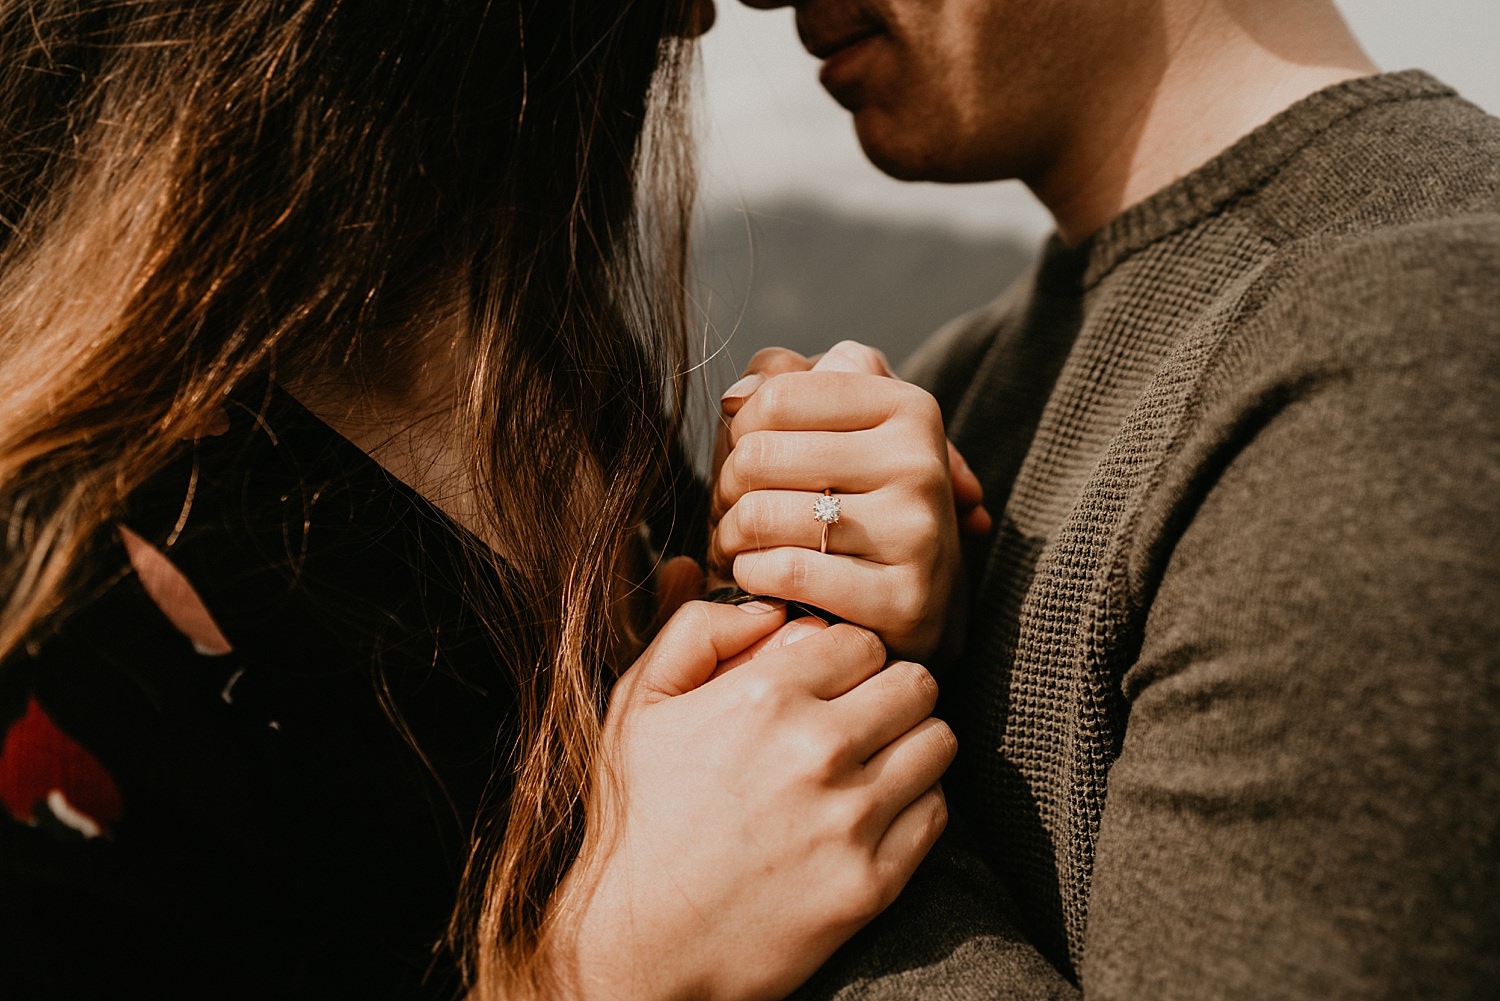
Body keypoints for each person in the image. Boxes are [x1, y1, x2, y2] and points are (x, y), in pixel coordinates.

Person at [0, 3, 965, 999]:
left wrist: (832, 596)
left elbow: (757, 826)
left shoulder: (559, 372)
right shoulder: (54, 572)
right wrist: (597, 972)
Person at [711, 0, 1500, 996]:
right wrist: (802, 621)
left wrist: (798, 776)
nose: (755, 0)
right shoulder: (957, 377)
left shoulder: (1420, 345)